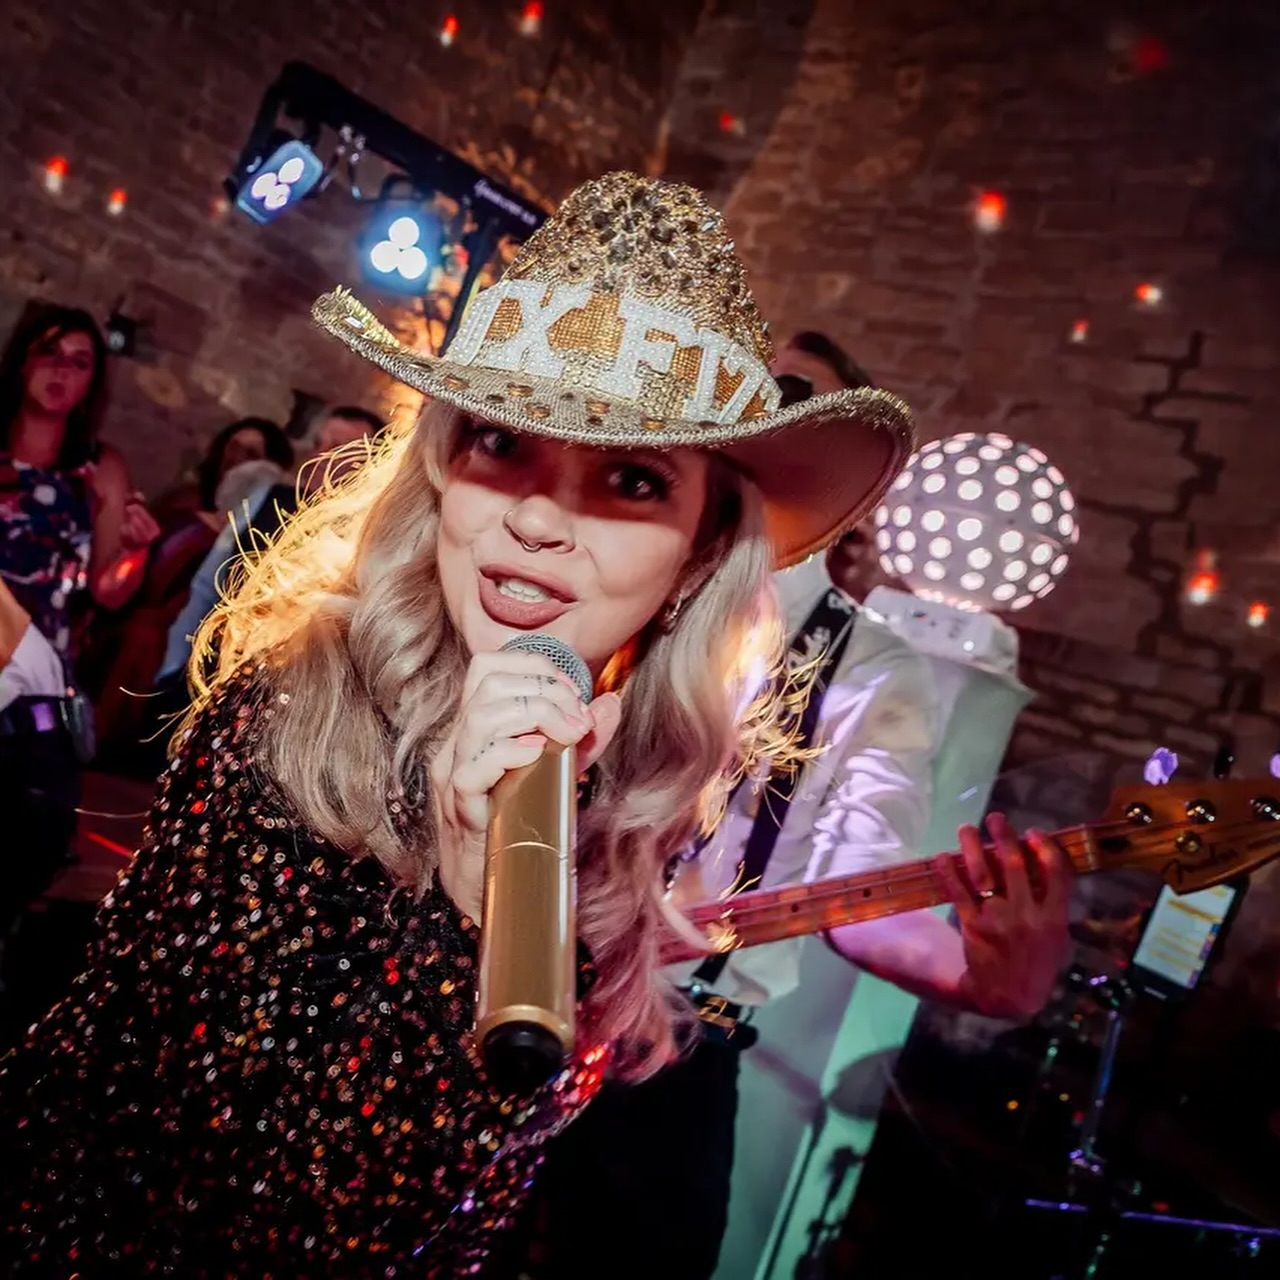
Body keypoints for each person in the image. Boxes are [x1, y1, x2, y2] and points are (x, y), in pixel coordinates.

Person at [0, 171, 923, 1276]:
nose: (535, 516)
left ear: (693, 555)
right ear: (442, 467)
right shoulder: (292, 708)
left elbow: (465, 1216)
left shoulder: (624, 791)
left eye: (630, 478)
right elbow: (241, 1198)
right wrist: (455, 900)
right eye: (501, 440)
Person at [504, 332, 1073, 1280]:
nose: (760, 396)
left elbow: (854, 891)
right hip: (481, 985)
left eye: (796, 391)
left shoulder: (867, 665)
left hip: (669, 1050)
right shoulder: (606, 569)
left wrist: (984, 980)